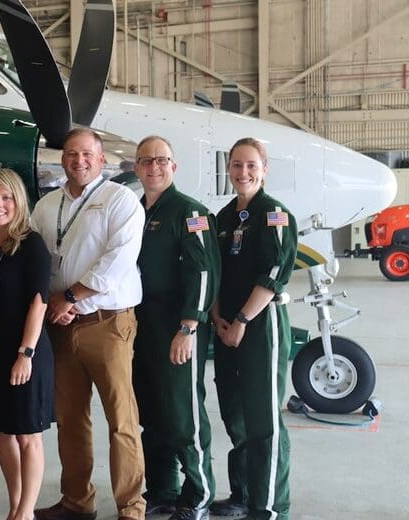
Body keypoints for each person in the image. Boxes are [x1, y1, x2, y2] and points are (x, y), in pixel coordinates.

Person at [31, 128, 147, 520]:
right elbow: (38, 261)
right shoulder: (46, 206)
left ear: (101, 160)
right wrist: (53, 303)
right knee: (70, 419)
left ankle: (131, 507)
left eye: (86, 155)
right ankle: (77, 503)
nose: (78, 161)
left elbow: (116, 262)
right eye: (70, 154)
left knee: (121, 420)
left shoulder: (122, 201)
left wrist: (70, 298)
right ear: (62, 159)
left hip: (107, 324)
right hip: (60, 325)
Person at [131, 136, 220, 520]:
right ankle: (163, 490)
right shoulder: (135, 211)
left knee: (184, 414)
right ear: (136, 167)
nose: (154, 167)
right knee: (151, 415)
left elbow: (203, 273)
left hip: (176, 327)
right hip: (141, 328)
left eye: (162, 160)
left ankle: (198, 494)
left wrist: (188, 327)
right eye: (146, 161)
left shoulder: (190, 212)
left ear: (174, 166)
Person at [210, 138, 296, 520]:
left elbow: (274, 273)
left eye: (250, 165)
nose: (242, 173)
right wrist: (217, 319)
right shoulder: (224, 217)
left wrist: (243, 321)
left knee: (263, 419)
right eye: (236, 165)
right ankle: (243, 494)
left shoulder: (274, 213)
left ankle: (270, 505)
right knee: (235, 414)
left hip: (260, 326)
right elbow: (210, 272)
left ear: (264, 169)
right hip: (226, 326)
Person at [0, 168, 54, 520]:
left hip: (26, 350)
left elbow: (40, 301)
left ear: (18, 201)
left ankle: (24, 512)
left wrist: (26, 353)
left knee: (27, 435)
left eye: (6, 198)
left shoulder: (31, 244)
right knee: (0, 431)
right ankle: (17, 506)